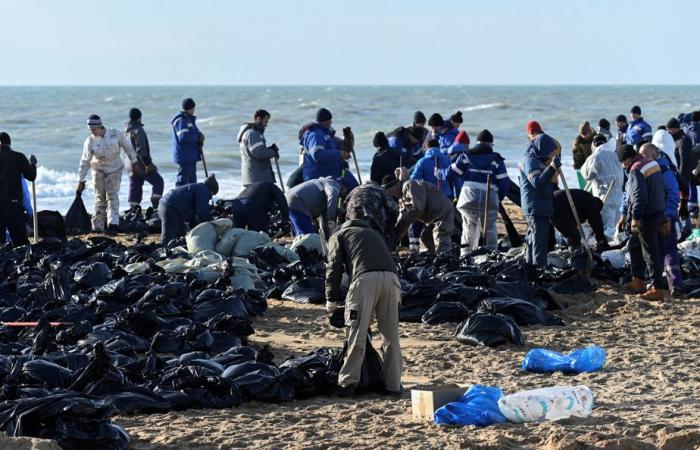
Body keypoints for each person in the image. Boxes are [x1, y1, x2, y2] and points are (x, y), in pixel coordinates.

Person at [324, 219, 402, 396]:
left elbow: (333, 267)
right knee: (390, 336)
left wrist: (331, 299)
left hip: (365, 281)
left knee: (356, 332)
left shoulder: (339, 235)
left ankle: (347, 383)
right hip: (392, 281)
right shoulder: (373, 234)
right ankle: (393, 385)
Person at [442, 130, 510, 254]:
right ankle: (491, 255)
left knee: (468, 227)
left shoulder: (466, 156)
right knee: (490, 227)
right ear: (490, 144)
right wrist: (498, 198)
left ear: (477, 142)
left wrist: (438, 173)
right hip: (489, 197)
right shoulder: (497, 160)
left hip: (468, 196)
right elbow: (504, 182)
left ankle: (466, 256)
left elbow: (449, 175)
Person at [617, 144, 666, 301]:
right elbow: (660, 190)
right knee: (634, 245)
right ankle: (638, 280)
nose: (623, 165)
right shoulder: (651, 163)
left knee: (650, 252)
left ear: (629, 159)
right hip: (657, 211)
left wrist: (635, 219)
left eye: (623, 161)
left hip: (646, 216)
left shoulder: (636, 169)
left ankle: (656, 288)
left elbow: (639, 196)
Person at [77, 114, 138, 233]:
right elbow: (85, 161)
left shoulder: (116, 134)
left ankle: (113, 224)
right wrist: (81, 180)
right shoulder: (89, 141)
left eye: (94, 129)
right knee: (100, 197)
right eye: (90, 130)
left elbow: (128, 148)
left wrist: (135, 162)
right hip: (98, 169)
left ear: (100, 127)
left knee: (112, 195)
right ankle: (98, 225)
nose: (92, 132)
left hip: (115, 169)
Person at [639, 144, 683, 297]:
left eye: (646, 153)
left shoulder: (664, 171)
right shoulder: (644, 170)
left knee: (669, 249)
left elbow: (673, 194)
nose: (643, 156)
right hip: (650, 217)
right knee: (654, 251)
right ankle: (654, 284)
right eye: (641, 154)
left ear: (655, 154)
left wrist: (669, 218)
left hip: (664, 217)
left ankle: (675, 286)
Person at [519, 121, 561, 267]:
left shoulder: (538, 160)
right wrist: (552, 167)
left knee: (533, 241)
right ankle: (538, 271)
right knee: (539, 244)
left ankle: (531, 271)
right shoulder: (530, 161)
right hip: (536, 207)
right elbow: (536, 182)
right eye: (549, 150)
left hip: (540, 206)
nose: (550, 154)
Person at [394, 168, 454, 254]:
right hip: (435, 215)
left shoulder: (410, 185)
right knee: (426, 237)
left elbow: (417, 208)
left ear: (395, 185)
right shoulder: (404, 193)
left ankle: (445, 259)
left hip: (442, 212)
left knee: (441, 237)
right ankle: (434, 258)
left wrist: (401, 226)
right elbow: (407, 212)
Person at [580, 133, 624, 238]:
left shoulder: (595, 157)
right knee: (617, 227)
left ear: (593, 145)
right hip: (618, 197)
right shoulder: (615, 155)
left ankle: (608, 250)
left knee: (607, 229)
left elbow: (587, 176)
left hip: (604, 198)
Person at [0, 132, 37, 247]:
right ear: (9, 144)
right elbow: (31, 176)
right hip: (13, 204)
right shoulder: (18, 157)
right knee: (20, 242)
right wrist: (33, 164)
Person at [158, 174, 219, 244]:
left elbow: (192, 216)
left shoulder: (196, 187)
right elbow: (202, 212)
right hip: (171, 209)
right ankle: (161, 251)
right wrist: (211, 224)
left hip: (167, 206)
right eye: (212, 194)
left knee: (180, 236)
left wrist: (193, 228)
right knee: (168, 237)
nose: (210, 197)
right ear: (211, 190)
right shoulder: (203, 190)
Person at [125, 108, 164, 210]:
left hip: (130, 165)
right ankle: (156, 206)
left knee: (136, 185)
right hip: (141, 165)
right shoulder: (138, 130)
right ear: (139, 118)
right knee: (158, 182)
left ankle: (133, 209)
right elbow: (141, 149)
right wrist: (148, 164)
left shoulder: (126, 132)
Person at [300, 108, 352, 182]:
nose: (331, 122)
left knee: (354, 185)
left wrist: (344, 143)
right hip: (320, 178)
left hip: (333, 174)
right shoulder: (315, 135)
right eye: (328, 120)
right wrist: (339, 154)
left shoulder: (326, 134)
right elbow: (317, 155)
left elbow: (333, 144)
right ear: (322, 121)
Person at [344, 176, 399, 241]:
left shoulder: (355, 189)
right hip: (369, 216)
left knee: (355, 236)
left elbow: (345, 203)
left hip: (351, 216)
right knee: (374, 238)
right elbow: (395, 209)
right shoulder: (380, 189)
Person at [666, 118, 698, 224]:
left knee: (682, 202)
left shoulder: (683, 140)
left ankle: (686, 225)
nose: (668, 131)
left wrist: (679, 178)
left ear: (675, 128)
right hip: (681, 174)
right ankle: (684, 223)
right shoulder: (677, 138)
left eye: (669, 129)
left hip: (683, 174)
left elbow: (683, 160)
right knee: (682, 201)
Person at [237, 109, 279, 186]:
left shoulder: (249, 133)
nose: (266, 125)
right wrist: (273, 152)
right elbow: (259, 153)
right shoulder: (253, 133)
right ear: (258, 119)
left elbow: (256, 151)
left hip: (253, 177)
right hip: (258, 178)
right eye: (265, 122)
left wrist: (269, 150)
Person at [172, 98, 204, 186]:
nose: (194, 110)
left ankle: (191, 199)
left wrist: (199, 135)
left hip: (191, 156)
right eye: (193, 108)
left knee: (192, 182)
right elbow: (183, 137)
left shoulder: (188, 119)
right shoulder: (181, 120)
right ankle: (178, 198)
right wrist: (197, 138)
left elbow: (193, 132)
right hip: (185, 156)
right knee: (182, 182)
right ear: (191, 108)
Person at [572, 121, 594, 188]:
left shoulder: (595, 138)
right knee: (584, 188)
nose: (583, 136)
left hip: (594, 165)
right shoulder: (578, 141)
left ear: (589, 131)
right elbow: (576, 155)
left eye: (585, 133)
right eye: (581, 134)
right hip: (583, 166)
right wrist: (577, 165)